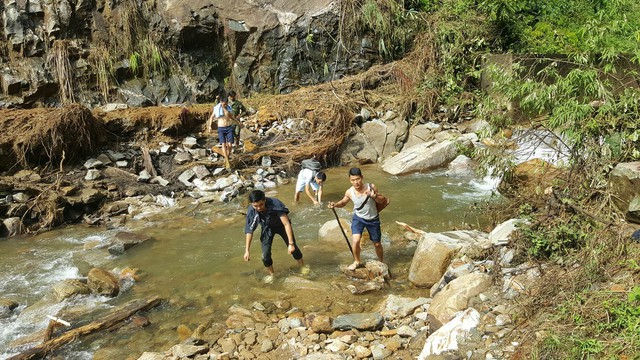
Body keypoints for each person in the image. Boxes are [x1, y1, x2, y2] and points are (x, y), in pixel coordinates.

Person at [328, 167, 384, 270]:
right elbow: (343, 202)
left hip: (373, 218)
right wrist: (335, 204)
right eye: (353, 180)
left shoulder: (371, 187)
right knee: (356, 240)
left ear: (362, 177)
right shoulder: (349, 192)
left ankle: (381, 262)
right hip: (358, 218)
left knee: (377, 243)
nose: (356, 182)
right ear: (350, 180)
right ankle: (357, 261)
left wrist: (374, 196)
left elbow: (382, 200)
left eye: (358, 179)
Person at [244, 190, 305, 283]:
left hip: (281, 226)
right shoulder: (252, 211)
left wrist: (291, 243)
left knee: (293, 248)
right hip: (267, 227)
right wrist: (247, 250)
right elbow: (249, 230)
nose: (259, 208)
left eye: (261, 205)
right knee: (265, 255)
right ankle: (272, 274)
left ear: (264, 200)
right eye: (255, 206)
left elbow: (286, 224)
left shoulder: (275, 204)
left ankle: (302, 266)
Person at [207, 96, 236, 169]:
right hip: (221, 128)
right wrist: (210, 126)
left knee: (230, 145)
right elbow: (211, 117)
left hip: (229, 127)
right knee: (223, 144)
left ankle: (227, 157)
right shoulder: (217, 109)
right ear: (221, 102)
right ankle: (227, 160)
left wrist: (237, 121)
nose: (225, 105)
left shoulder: (228, 108)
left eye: (226, 104)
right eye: (224, 104)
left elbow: (231, 117)